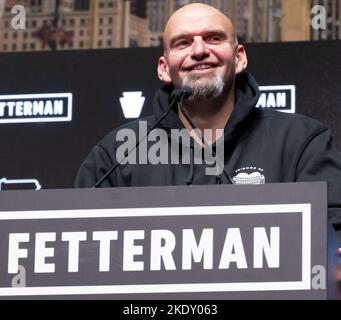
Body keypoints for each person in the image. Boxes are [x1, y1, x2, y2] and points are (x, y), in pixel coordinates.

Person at [75, 3, 341, 246]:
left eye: (214, 38)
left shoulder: (302, 141)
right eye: (183, 43)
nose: (200, 51)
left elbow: (332, 243)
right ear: (164, 68)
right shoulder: (116, 155)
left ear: (239, 58)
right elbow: (78, 247)